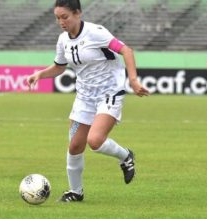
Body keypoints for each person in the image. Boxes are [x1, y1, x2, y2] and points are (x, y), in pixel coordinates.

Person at [27, 0, 149, 202]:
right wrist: (40, 74)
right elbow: (59, 66)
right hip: (84, 97)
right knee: (75, 146)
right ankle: (75, 192)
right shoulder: (62, 40)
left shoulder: (96, 32)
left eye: (65, 17)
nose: (61, 22)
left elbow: (126, 50)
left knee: (95, 141)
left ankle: (125, 156)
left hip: (109, 93)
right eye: (57, 18)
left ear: (78, 13)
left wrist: (134, 81)